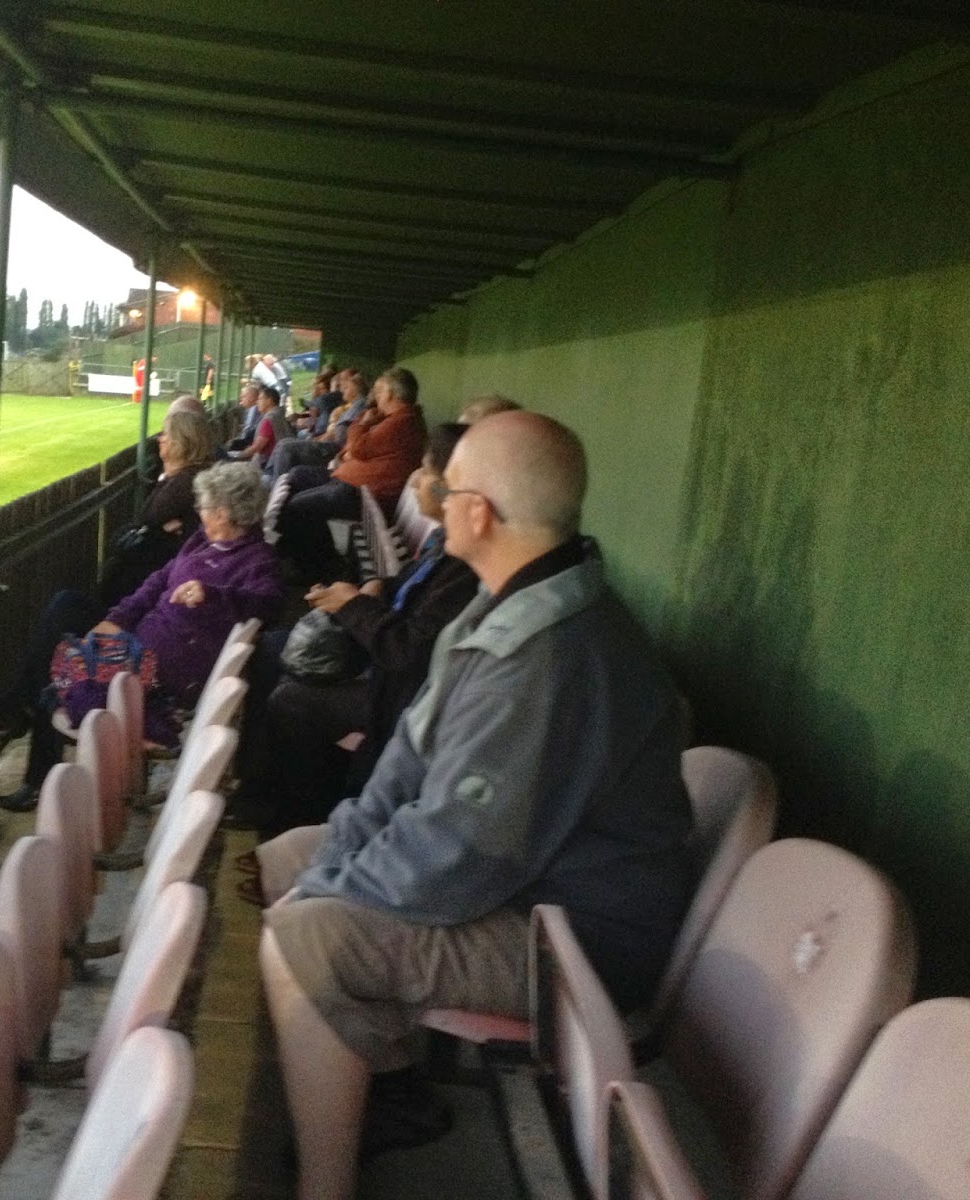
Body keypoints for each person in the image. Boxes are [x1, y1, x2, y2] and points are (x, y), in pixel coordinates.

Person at [256, 410, 692, 1200]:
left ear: (479, 513)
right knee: (284, 859)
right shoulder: (503, 603)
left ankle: (325, 1183)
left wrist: (325, 895)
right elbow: (402, 771)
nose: (434, 501)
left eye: (447, 490)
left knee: (304, 936)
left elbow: (457, 854)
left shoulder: (551, 655)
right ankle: (383, 1085)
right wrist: (325, 867)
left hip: (575, 941)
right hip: (518, 890)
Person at [232, 422, 480, 836]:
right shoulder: (446, 544)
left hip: (405, 694)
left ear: (450, 489)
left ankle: (300, 824)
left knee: (293, 702)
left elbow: (407, 650)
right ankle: (256, 788)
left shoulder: (465, 563)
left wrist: (354, 606)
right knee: (273, 646)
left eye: (425, 469)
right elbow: (409, 595)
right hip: (388, 664)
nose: (415, 479)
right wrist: (373, 588)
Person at [0, 461, 281, 812]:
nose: (198, 513)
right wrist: (117, 619)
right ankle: (24, 719)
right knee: (65, 607)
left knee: (57, 674)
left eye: (204, 507)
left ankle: (32, 760)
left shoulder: (256, 560)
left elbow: (269, 604)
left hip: (165, 671)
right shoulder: (200, 541)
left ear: (223, 513)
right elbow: (157, 583)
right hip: (141, 639)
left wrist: (214, 594)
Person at [0, 408, 224, 735]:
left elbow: (142, 525)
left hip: (143, 632)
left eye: (166, 435)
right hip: (143, 617)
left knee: (63, 617)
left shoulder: (183, 485)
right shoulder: (185, 486)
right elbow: (134, 532)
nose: (159, 440)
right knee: (62, 629)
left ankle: (19, 706)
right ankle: (22, 709)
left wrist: (156, 515)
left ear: (182, 444)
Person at [275, 367, 426, 582]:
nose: (375, 397)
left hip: (364, 494)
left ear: (391, 394)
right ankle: (298, 548)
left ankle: (318, 570)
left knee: (300, 506)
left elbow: (358, 447)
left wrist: (363, 423)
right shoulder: (392, 419)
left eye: (379, 391)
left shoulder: (402, 421)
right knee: (298, 476)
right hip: (351, 484)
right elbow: (356, 447)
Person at [235, 382, 293, 465]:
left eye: (260, 399)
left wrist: (237, 455)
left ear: (269, 401)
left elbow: (257, 447)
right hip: (281, 459)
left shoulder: (268, 420)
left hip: (269, 463)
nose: (257, 402)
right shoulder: (279, 414)